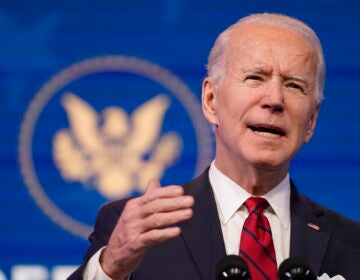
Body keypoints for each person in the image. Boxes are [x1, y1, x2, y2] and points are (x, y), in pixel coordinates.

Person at [68, 13, 360, 280]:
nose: (274, 99)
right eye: (255, 77)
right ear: (210, 101)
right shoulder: (139, 232)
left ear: (311, 120)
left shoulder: (350, 243)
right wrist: (112, 266)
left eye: (294, 85)